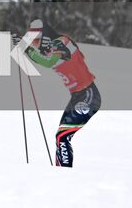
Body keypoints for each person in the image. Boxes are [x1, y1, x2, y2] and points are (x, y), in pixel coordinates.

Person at [25, 18, 101, 167]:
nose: (34, 44)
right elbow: (43, 57)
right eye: (32, 41)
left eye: (36, 40)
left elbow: (48, 62)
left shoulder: (62, 42)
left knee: (62, 136)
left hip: (89, 96)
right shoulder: (50, 48)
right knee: (60, 137)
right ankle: (60, 171)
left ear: (45, 36)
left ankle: (64, 175)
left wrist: (27, 50)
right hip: (77, 96)